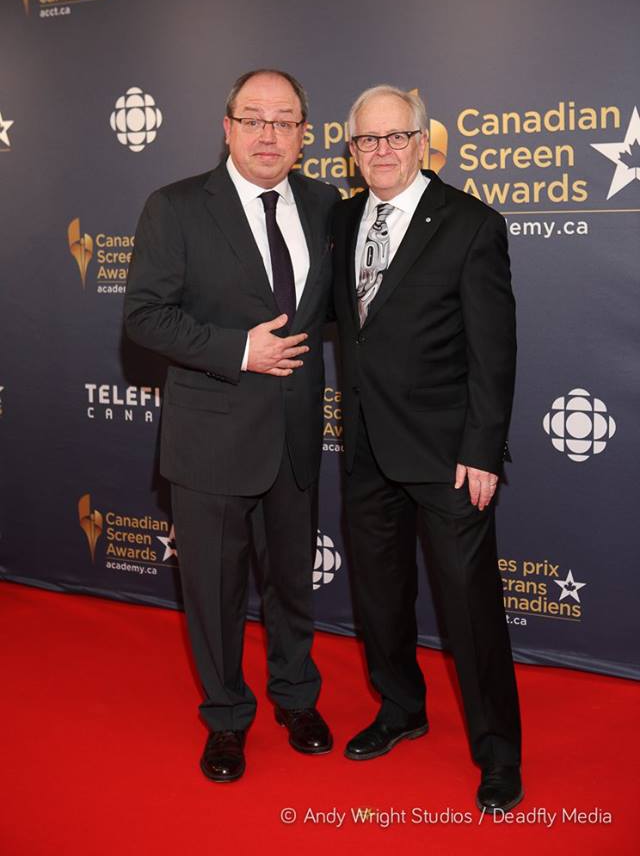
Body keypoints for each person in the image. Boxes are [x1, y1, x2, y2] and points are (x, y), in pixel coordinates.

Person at [124, 69, 340, 782]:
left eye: (284, 121)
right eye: (253, 119)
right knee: (214, 594)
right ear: (227, 128)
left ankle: (296, 698)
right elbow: (145, 317)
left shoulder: (326, 205)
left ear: (304, 135)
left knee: (292, 584)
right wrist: (239, 351)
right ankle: (225, 716)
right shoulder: (177, 206)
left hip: (297, 435)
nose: (268, 134)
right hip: (211, 437)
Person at [332, 84, 522, 813]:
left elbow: (493, 353)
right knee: (380, 598)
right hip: (366, 448)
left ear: (421, 143)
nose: (380, 151)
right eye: (366, 140)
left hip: (449, 457)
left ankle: (498, 753)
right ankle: (401, 709)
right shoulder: (343, 219)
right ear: (352, 150)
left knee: (469, 611)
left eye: (395, 137)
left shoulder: (471, 225)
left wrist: (483, 450)